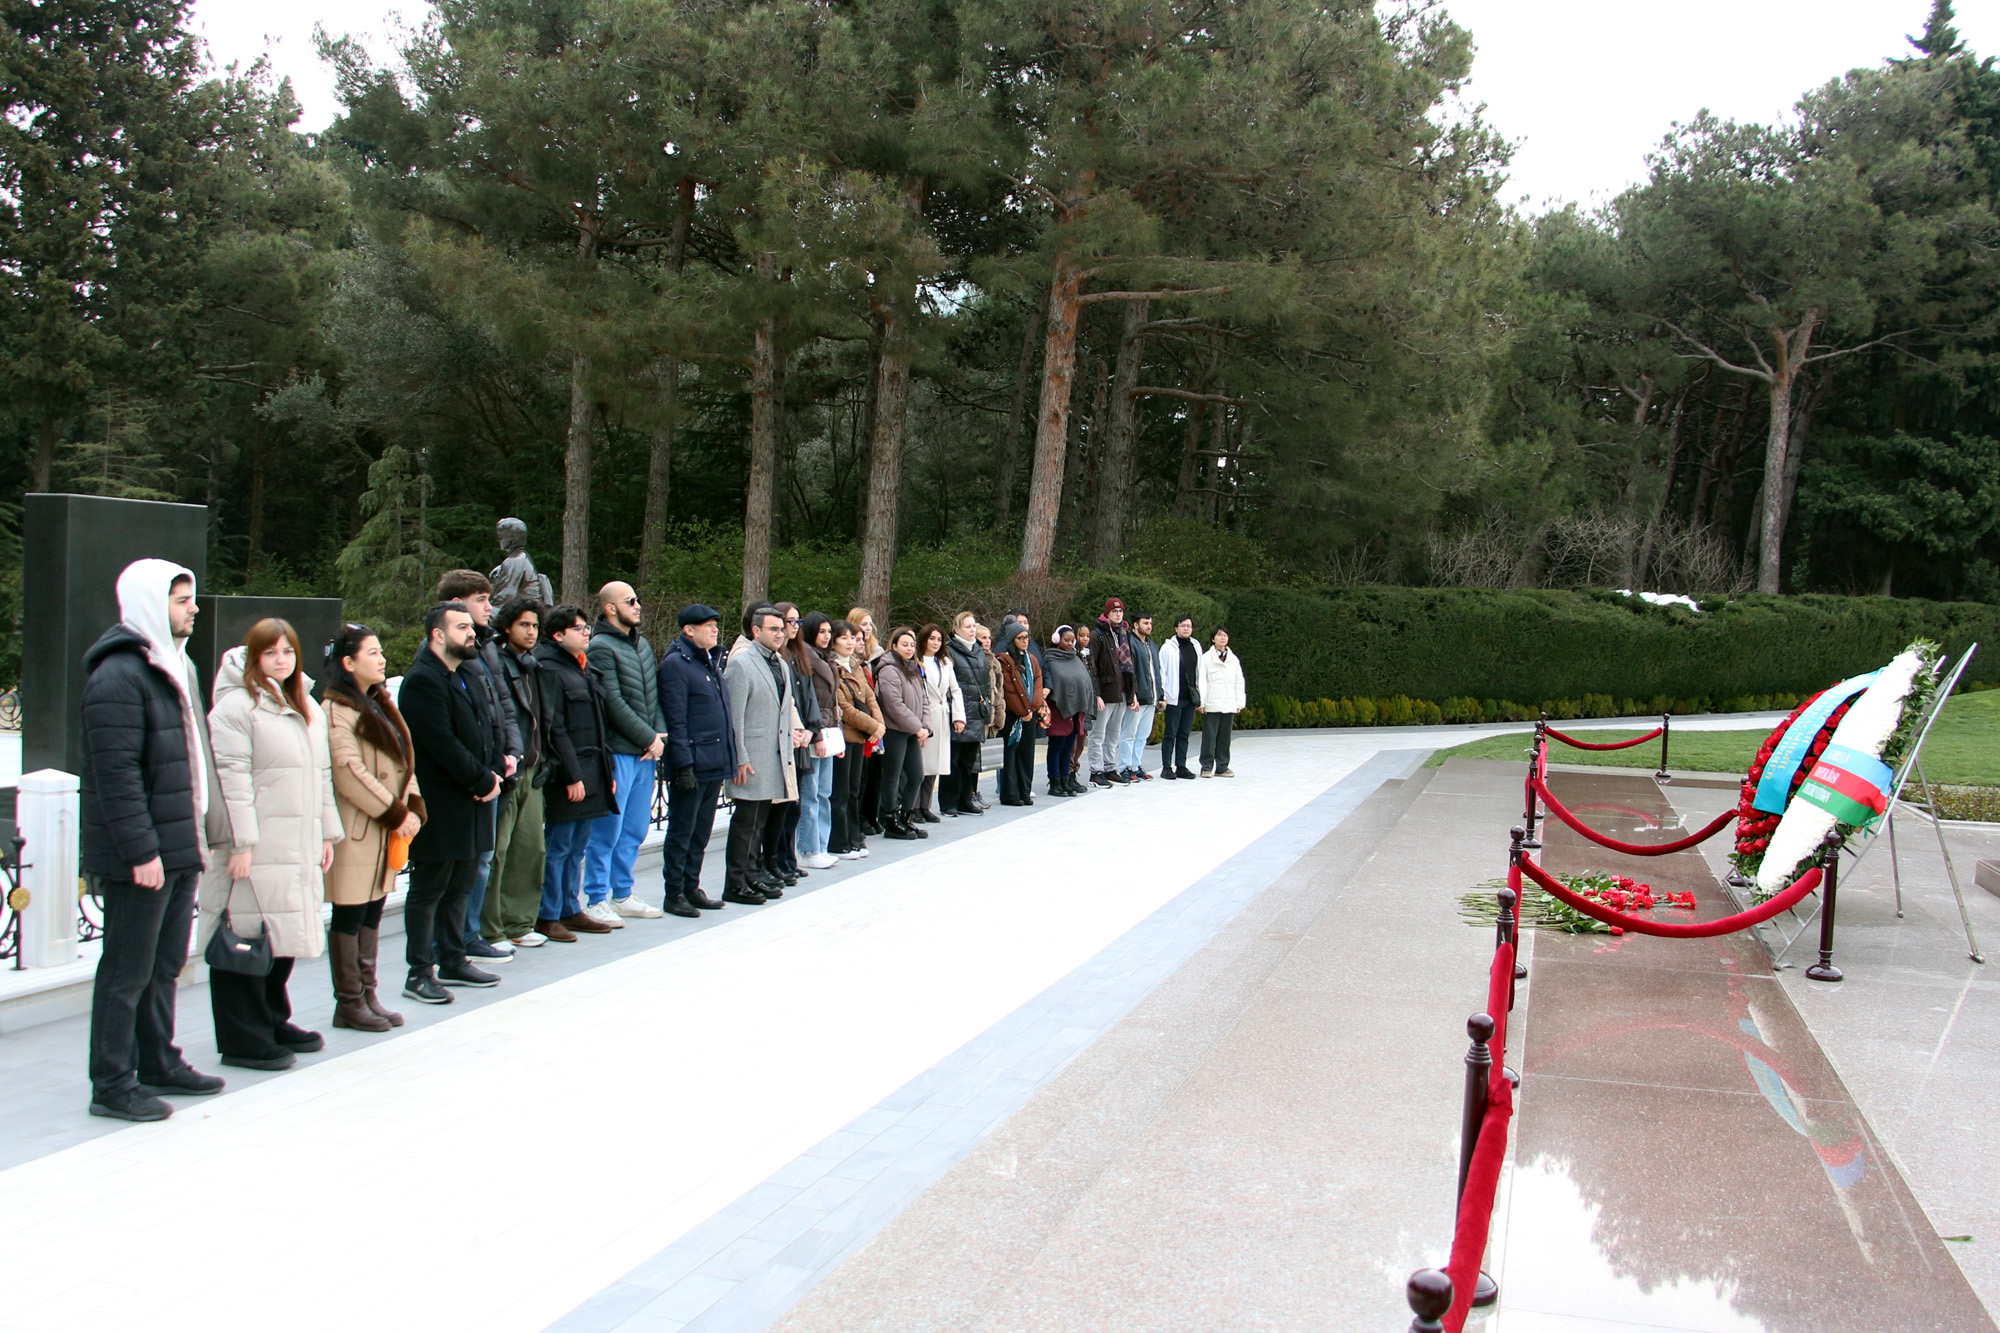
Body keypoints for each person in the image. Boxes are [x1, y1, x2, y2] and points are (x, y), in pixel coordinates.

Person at [81, 560, 229, 1121]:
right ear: (150, 603)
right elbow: (116, 776)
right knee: (126, 973)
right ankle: (112, 1084)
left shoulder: (172, 665)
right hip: (144, 855)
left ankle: (158, 1061)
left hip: (177, 843)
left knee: (164, 966)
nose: (194, 608)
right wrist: (142, 852)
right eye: (181, 600)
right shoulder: (119, 675)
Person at [198, 619, 342, 1070]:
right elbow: (232, 780)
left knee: (281, 935)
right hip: (255, 845)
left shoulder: (304, 703)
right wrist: (240, 843)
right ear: (253, 657)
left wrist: (326, 831)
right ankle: (243, 1038)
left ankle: (273, 1019)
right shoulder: (236, 708)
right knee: (244, 937)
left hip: (295, 841)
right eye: (271, 653)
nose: (282, 660)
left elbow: (321, 773)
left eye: (288, 651)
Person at [399, 601, 506, 1003]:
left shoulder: (464, 673)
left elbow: (485, 728)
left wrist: (493, 770)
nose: (472, 633)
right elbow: (440, 742)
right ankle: (419, 971)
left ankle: (452, 958)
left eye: (470, 627)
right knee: (430, 888)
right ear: (437, 635)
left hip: (473, 798)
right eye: (462, 627)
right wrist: (481, 778)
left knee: (460, 885)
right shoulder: (423, 680)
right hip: (442, 802)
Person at [323, 623, 424, 1034]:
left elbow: (404, 761)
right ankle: (349, 1002)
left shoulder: (380, 702)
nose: (382, 660)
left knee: (372, 911)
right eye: (372, 653)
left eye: (381, 652)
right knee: (350, 913)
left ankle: (367, 994)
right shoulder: (337, 710)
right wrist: (397, 814)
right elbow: (350, 772)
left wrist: (413, 805)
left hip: (385, 828)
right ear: (348, 663)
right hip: (359, 829)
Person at [437, 569, 523, 965]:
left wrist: (512, 751)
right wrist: (482, 768)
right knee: (460, 866)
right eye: (481, 600)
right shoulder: (445, 654)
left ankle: (468, 935)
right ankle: (453, 941)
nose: (490, 607)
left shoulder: (486, 645)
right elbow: (457, 722)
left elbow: (503, 703)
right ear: (456, 605)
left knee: (482, 859)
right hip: (471, 776)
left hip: (495, 766)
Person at [585, 580, 668, 924]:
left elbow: (653, 695)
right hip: (619, 751)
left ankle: (622, 893)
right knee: (608, 830)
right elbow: (612, 702)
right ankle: (596, 898)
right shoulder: (600, 647)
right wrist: (648, 738)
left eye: (637, 600)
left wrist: (658, 734)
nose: (637, 606)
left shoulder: (642, 645)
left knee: (635, 828)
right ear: (610, 608)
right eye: (630, 601)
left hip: (645, 752)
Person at [535, 605, 618, 939]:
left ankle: (571, 909)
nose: (587, 633)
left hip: (592, 770)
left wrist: (607, 770)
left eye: (586, 628)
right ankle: (548, 914)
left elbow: (600, 725)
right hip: (570, 775)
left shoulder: (583, 667)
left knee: (576, 847)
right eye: (579, 628)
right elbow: (555, 728)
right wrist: (572, 775)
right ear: (558, 635)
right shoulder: (549, 668)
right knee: (558, 846)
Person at [656, 603, 734, 914]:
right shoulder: (677, 664)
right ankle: (674, 893)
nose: (715, 629)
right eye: (708, 625)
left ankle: (691, 885)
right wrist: (684, 765)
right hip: (693, 763)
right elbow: (676, 720)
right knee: (682, 831)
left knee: (700, 832)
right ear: (689, 630)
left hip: (713, 759)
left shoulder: (709, 661)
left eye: (715, 624)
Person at [723, 605, 800, 902]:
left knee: (760, 822)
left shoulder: (780, 663)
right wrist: (740, 757)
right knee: (746, 822)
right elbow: (734, 717)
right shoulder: (741, 664)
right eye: (773, 629)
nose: (780, 634)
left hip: (774, 755)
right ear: (756, 631)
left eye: (782, 629)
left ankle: (751, 876)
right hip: (752, 756)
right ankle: (735, 883)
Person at [485, 598, 549, 949]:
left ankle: (519, 922)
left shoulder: (532, 665)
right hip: (510, 769)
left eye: (535, 625)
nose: (531, 631)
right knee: (499, 851)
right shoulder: (496, 663)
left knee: (530, 849)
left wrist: (546, 759)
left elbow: (542, 717)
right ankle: (491, 928)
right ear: (507, 626)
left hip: (533, 767)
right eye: (524, 624)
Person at [762, 602, 821, 884]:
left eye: (797, 622)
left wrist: (811, 729)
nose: (793, 627)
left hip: (801, 736)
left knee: (794, 804)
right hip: (785, 738)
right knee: (782, 806)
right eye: (789, 621)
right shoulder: (776, 657)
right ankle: (775, 860)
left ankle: (788, 859)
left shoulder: (798, 655)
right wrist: (796, 730)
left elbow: (810, 697)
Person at [828, 620, 883, 860]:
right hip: (844, 736)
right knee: (840, 792)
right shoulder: (831, 667)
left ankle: (854, 836)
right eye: (844, 638)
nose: (851, 642)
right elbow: (844, 707)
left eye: (853, 638)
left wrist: (879, 725)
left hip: (861, 736)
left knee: (854, 790)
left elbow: (870, 697)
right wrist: (873, 726)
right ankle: (839, 841)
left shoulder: (856, 664)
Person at [872, 627, 931, 839]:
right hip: (895, 731)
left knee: (916, 775)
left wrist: (925, 727)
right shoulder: (888, 669)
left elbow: (924, 699)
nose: (909, 648)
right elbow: (894, 704)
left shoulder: (913, 668)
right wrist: (917, 727)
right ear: (894, 646)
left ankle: (906, 816)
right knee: (893, 776)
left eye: (912, 645)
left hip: (913, 731)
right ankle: (891, 820)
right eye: (904, 644)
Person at [794, 611, 841, 867]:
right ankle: (808, 848)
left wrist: (836, 735)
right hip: (815, 731)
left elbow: (833, 702)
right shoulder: (806, 657)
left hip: (829, 729)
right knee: (810, 793)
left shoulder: (826, 658)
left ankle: (821, 845)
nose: (826, 636)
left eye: (829, 632)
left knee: (824, 793)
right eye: (821, 631)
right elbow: (809, 701)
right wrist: (818, 735)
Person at [942, 612, 991, 816]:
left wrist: (987, 710)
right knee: (953, 760)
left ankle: (965, 800)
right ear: (957, 629)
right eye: (968, 626)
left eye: (974, 626)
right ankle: (949, 803)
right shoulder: (949, 651)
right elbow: (948, 686)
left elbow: (986, 683)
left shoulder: (979, 651)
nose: (972, 630)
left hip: (976, 713)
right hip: (959, 714)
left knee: (968, 761)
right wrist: (955, 713)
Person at [916, 624, 965, 820]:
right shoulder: (916, 661)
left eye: (939, 639)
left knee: (935, 764)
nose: (935, 643)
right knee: (920, 764)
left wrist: (958, 716)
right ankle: (913, 807)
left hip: (942, 716)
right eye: (932, 639)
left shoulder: (945, 662)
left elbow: (955, 690)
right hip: (923, 716)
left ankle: (925, 806)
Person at [1088, 597, 1138, 787]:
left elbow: (1130, 666)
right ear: (1107, 613)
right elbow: (1092, 667)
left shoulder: (1125, 634)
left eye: (1120, 611)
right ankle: (1096, 771)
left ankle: (1110, 768)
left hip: (1122, 691)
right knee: (1098, 734)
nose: (1118, 614)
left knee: (1114, 734)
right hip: (1106, 692)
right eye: (1114, 611)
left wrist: (1132, 693)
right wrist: (1097, 694)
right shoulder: (1098, 634)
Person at [1041, 626, 1096, 797]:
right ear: (1057, 639)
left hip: (1075, 711)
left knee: (1068, 747)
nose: (1070, 643)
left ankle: (1066, 778)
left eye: (1072, 640)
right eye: (1066, 640)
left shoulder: (1075, 658)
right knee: (1057, 746)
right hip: (1059, 710)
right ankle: (1054, 781)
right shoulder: (1050, 659)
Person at [995, 619, 1044, 807]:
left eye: (1026, 637)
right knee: (1011, 754)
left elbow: (1037, 683)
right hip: (1013, 715)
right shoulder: (1004, 660)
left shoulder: (1031, 659)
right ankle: (1010, 794)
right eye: (1020, 638)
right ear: (1012, 640)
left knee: (1026, 754)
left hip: (1029, 714)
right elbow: (1009, 690)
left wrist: (1033, 707)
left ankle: (1024, 791)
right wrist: (1023, 711)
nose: (1025, 641)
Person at [847, 606, 885, 835]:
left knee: (875, 773)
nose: (867, 629)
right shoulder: (850, 661)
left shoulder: (877, 654)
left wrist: (878, 724)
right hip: (860, 724)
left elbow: (873, 695)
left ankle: (871, 815)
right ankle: (859, 818)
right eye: (863, 625)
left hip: (876, 720)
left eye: (870, 624)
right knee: (859, 777)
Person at [1198, 626, 1247, 777]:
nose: (1223, 638)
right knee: (1209, 737)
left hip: (1229, 703)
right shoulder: (1206, 658)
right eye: (1219, 635)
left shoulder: (1233, 659)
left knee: (1225, 737)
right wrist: (1201, 702)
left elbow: (1239, 681)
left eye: (1225, 635)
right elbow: (1201, 681)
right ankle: (1206, 767)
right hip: (1212, 703)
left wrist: (1240, 702)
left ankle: (1222, 767)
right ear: (1213, 639)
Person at [1157, 614, 1201, 779]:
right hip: (1173, 698)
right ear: (1176, 628)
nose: (1186, 628)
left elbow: (1199, 672)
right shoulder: (1168, 648)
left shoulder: (1195, 646)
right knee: (1170, 733)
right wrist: (1163, 695)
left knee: (1184, 733)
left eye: (1189, 626)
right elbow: (1162, 672)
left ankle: (1181, 766)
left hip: (1190, 698)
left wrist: (1200, 695)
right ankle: (1166, 767)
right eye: (1183, 625)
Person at [1121, 612, 1159, 782]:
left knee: (1143, 735)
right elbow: (1130, 672)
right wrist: (1132, 695)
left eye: (1150, 623)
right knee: (1129, 734)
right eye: (1145, 623)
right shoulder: (1131, 643)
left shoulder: (1152, 645)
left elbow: (1156, 672)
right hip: (1137, 697)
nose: (1149, 626)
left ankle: (1136, 766)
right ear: (1136, 625)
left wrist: (1160, 695)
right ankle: (1125, 767)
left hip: (1151, 697)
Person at [489, 516, 555, 607]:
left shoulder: (514, 560)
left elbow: (504, 597)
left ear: (512, 539)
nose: (499, 540)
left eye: (501, 536)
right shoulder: (523, 557)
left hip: (525, 610)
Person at [1072, 623, 1098, 785]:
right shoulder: (1072, 656)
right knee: (1073, 741)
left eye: (1088, 636)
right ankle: (1069, 772)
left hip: (1087, 705)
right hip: (1076, 705)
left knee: (1082, 740)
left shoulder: (1088, 657)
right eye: (1081, 635)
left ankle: (1075, 768)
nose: (1085, 639)